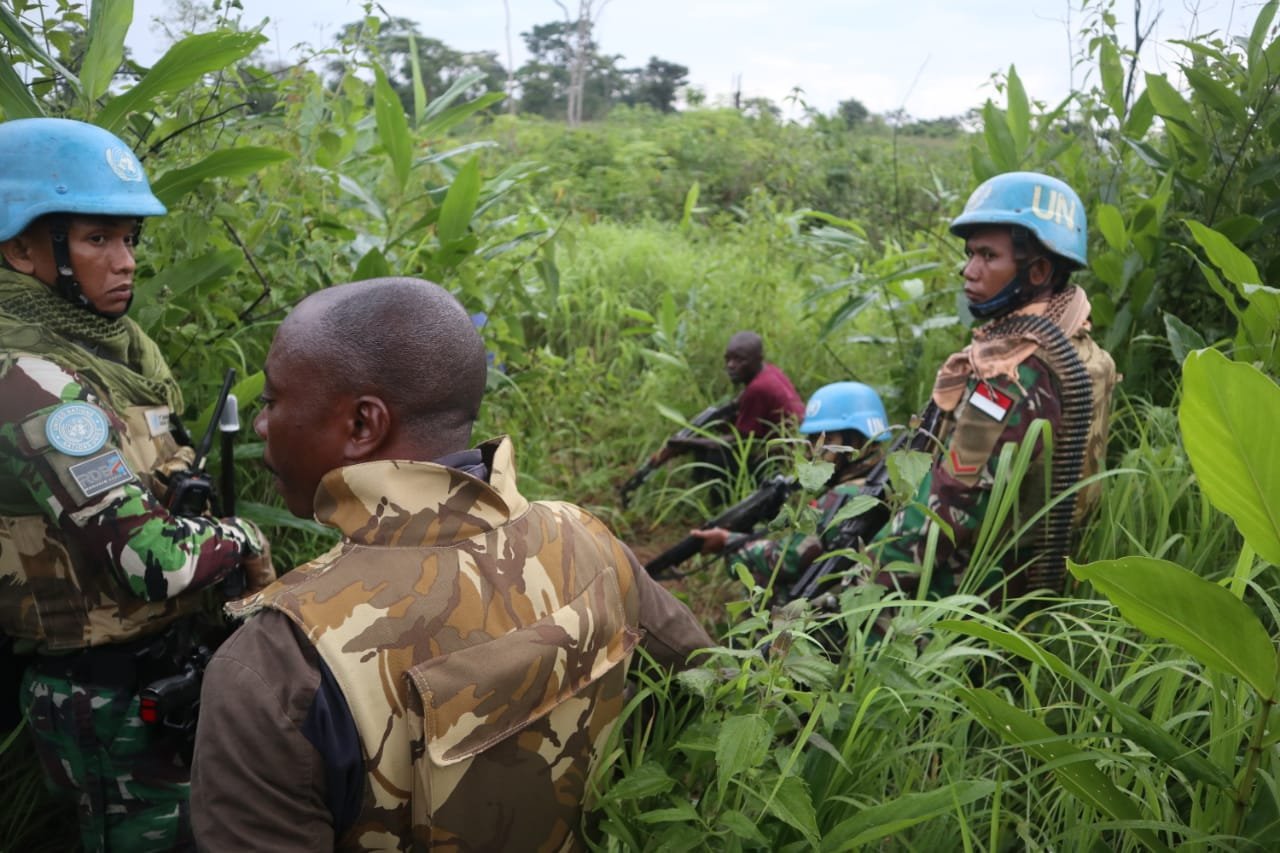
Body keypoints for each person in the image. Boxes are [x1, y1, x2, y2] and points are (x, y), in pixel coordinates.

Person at [190, 278, 714, 851]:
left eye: (271, 402)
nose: (262, 424)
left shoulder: (274, 668)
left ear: (363, 425)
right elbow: (706, 684)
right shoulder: (587, 537)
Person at [0, 118, 274, 851]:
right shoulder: (34, 382)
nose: (124, 262)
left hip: (154, 670)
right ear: (21, 247)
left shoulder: (103, 357)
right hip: (103, 689)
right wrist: (242, 537)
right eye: (97, 239)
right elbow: (146, 559)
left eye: (128, 238)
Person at [867, 171, 1117, 601]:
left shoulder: (1012, 376)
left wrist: (858, 586)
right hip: (1041, 572)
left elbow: (945, 514)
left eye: (987, 256)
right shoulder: (1082, 349)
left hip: (982, 593)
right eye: (970, 254)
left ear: (1038, 270)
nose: (969, 271)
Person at [691, 381, 891, 590]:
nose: (812, 451)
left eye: (825, 439)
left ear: (855, 442)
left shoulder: (844, 495)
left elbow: (786, 559)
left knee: (765, 584)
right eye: (812, 440)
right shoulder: (889, 481)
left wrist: (729, 542)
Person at [662, 330, 806, 486]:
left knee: (714, 457)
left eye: (739, 360)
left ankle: (717, 504)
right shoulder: (770, 371)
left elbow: (737, 442)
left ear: (758, 359)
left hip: (784, 464)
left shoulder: (757, 389)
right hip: (797, 450)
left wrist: (689, 443)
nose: (730, 365)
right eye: (728, 359)